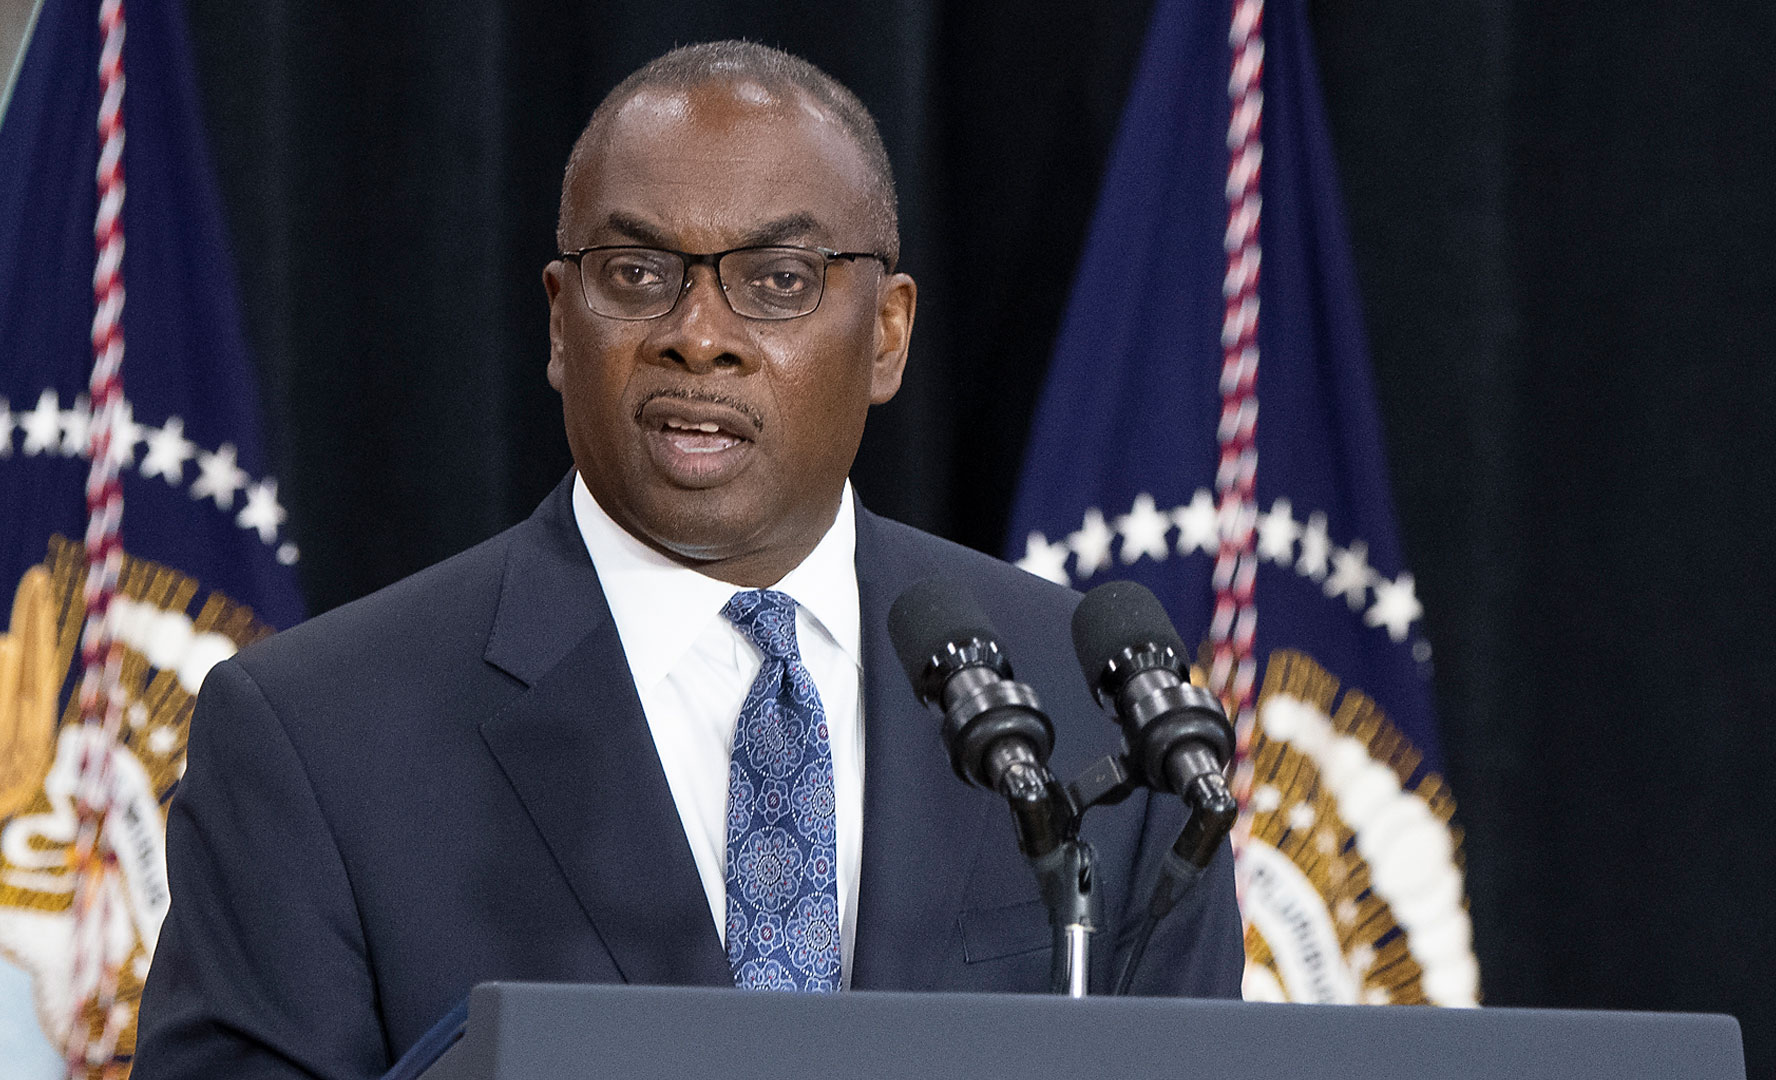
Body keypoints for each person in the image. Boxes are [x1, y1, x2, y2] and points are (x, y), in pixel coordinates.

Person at [134, 41, 1242, 1080]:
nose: (698, 333)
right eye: (637, 271)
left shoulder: (1088, 707)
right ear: (563, 325)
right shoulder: (318, 738)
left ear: (889, 333)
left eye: (777, 281)